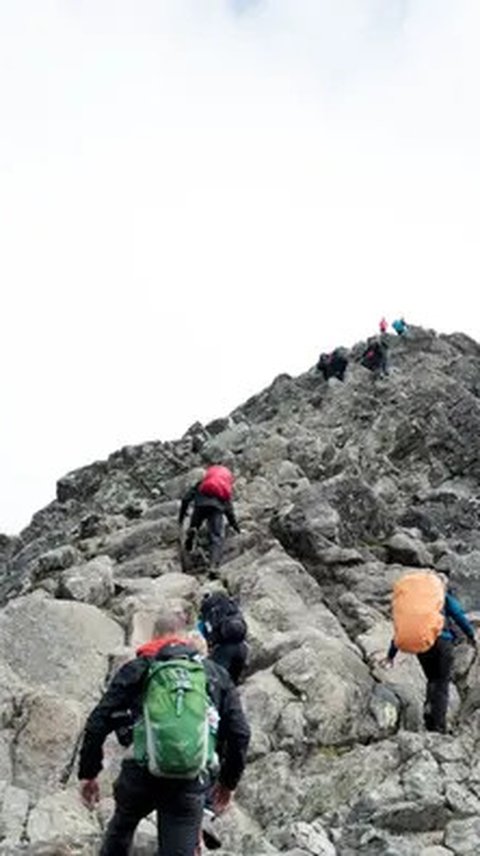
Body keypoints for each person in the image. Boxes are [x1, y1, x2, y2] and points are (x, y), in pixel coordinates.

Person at [78, 611, 251, 856]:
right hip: (189, 776)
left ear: (155, 636)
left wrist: (89, 774)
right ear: (186, 638)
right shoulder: (213, 673)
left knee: (122, 826)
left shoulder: (138, 668)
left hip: (140, 773)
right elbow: (240, 733)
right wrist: (227, 783)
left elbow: (97, 722)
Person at [382, 572, 476, 734]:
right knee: (441, 683)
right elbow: (458, 615)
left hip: (423, 646)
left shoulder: (418, 604)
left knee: (432, 680)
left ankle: (429, 716)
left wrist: (390, 656)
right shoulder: (442, 596)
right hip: (442, 643)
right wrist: (470, 635)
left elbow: (400, 633)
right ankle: (438, 726)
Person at [179, 466, 240, 569]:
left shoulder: (202, 484)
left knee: (195, 524)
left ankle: (192, 532)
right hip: (216, 509)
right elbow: (229, 511)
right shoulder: (223, 489)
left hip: (200, 506)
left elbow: (186, 499)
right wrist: (236, 528)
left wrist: (181, 518)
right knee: (216, 537)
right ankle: (213, 566)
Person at [198, 592, 248, 686]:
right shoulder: (232, 609)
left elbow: (204, 634)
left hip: (223, 650)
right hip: (242, 648)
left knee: (215, 680)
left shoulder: (209, 612)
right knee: (234, 680)